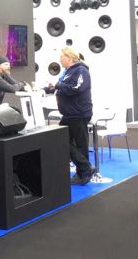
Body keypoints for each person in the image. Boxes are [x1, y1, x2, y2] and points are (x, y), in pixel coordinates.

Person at [44, 47, 94, 185]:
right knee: (61, 140)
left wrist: (59, 86)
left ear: (70, 58)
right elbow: (61, 87)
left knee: (80, 145)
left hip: (78, 113)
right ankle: (85, 169)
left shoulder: (81, 70)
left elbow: (77, 88)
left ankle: (83, 173)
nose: (60, 60)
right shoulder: (67, 72)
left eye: (62, 57)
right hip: (69, 114)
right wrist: (49, 88)